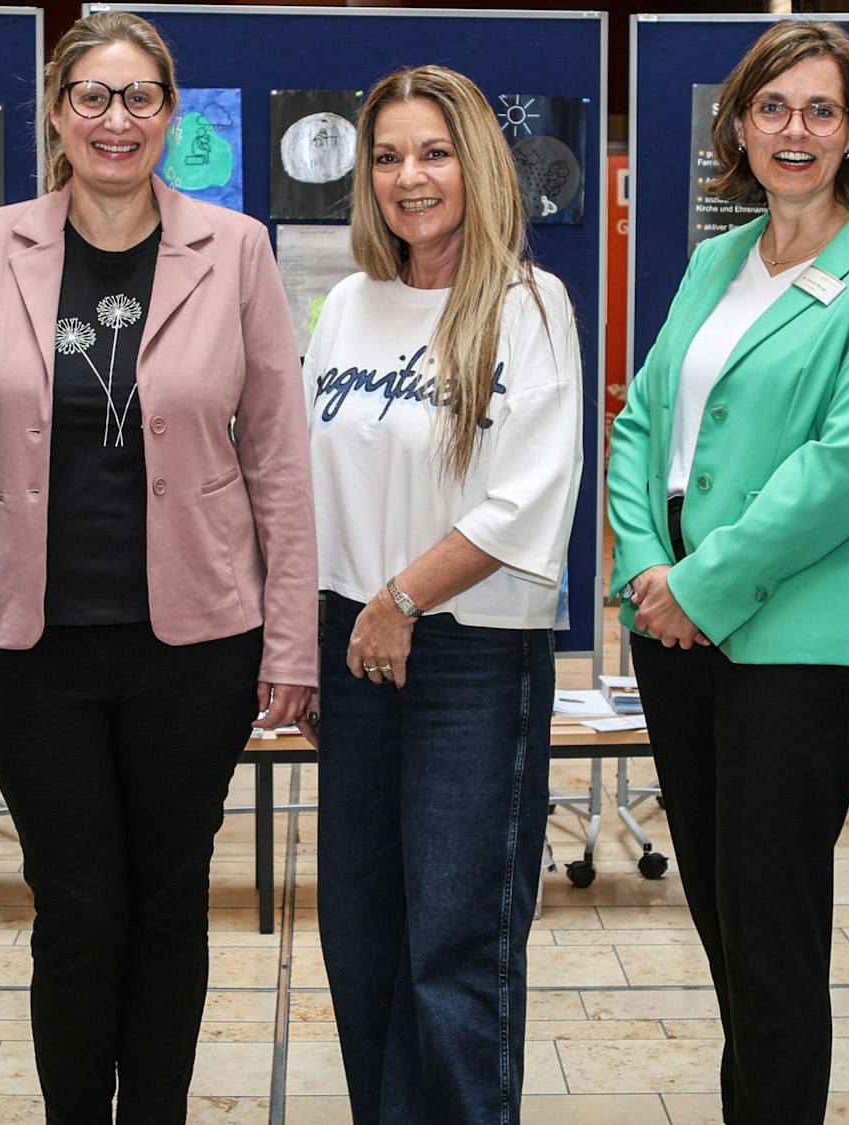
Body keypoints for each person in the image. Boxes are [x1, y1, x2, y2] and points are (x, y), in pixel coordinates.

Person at [0, 11, 316, 1119]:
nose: (115, 118)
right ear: (55, 111)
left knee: (169, 904)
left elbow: (279, 458)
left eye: (139, 96)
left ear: (170, 116)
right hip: (29, 648)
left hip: (196, 646)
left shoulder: (234, 249)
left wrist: (290, 639)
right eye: (92, 94)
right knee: (78, 909)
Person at [606, 19, 849, 1123]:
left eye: (819, 110)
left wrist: (699, 583)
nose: (793, 131)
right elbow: (640, 424)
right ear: (739, 125)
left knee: (773, 929)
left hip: (793, 639)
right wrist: (644, 570)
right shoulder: (719, 256)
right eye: (772, 108)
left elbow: (847, 464)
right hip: (676, 632)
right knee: (719, 919)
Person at [303, 64, 583, 1125]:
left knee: (454, 945)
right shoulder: (348, 305)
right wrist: (316, 629)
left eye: (432, 152)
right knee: (361, 935)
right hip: (354, 643)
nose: (408, 177)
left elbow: (527, 500)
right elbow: (312, 477)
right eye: (386, 156)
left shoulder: (529, 305)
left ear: (475, 163)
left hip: (464, 649)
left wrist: (401, 599)